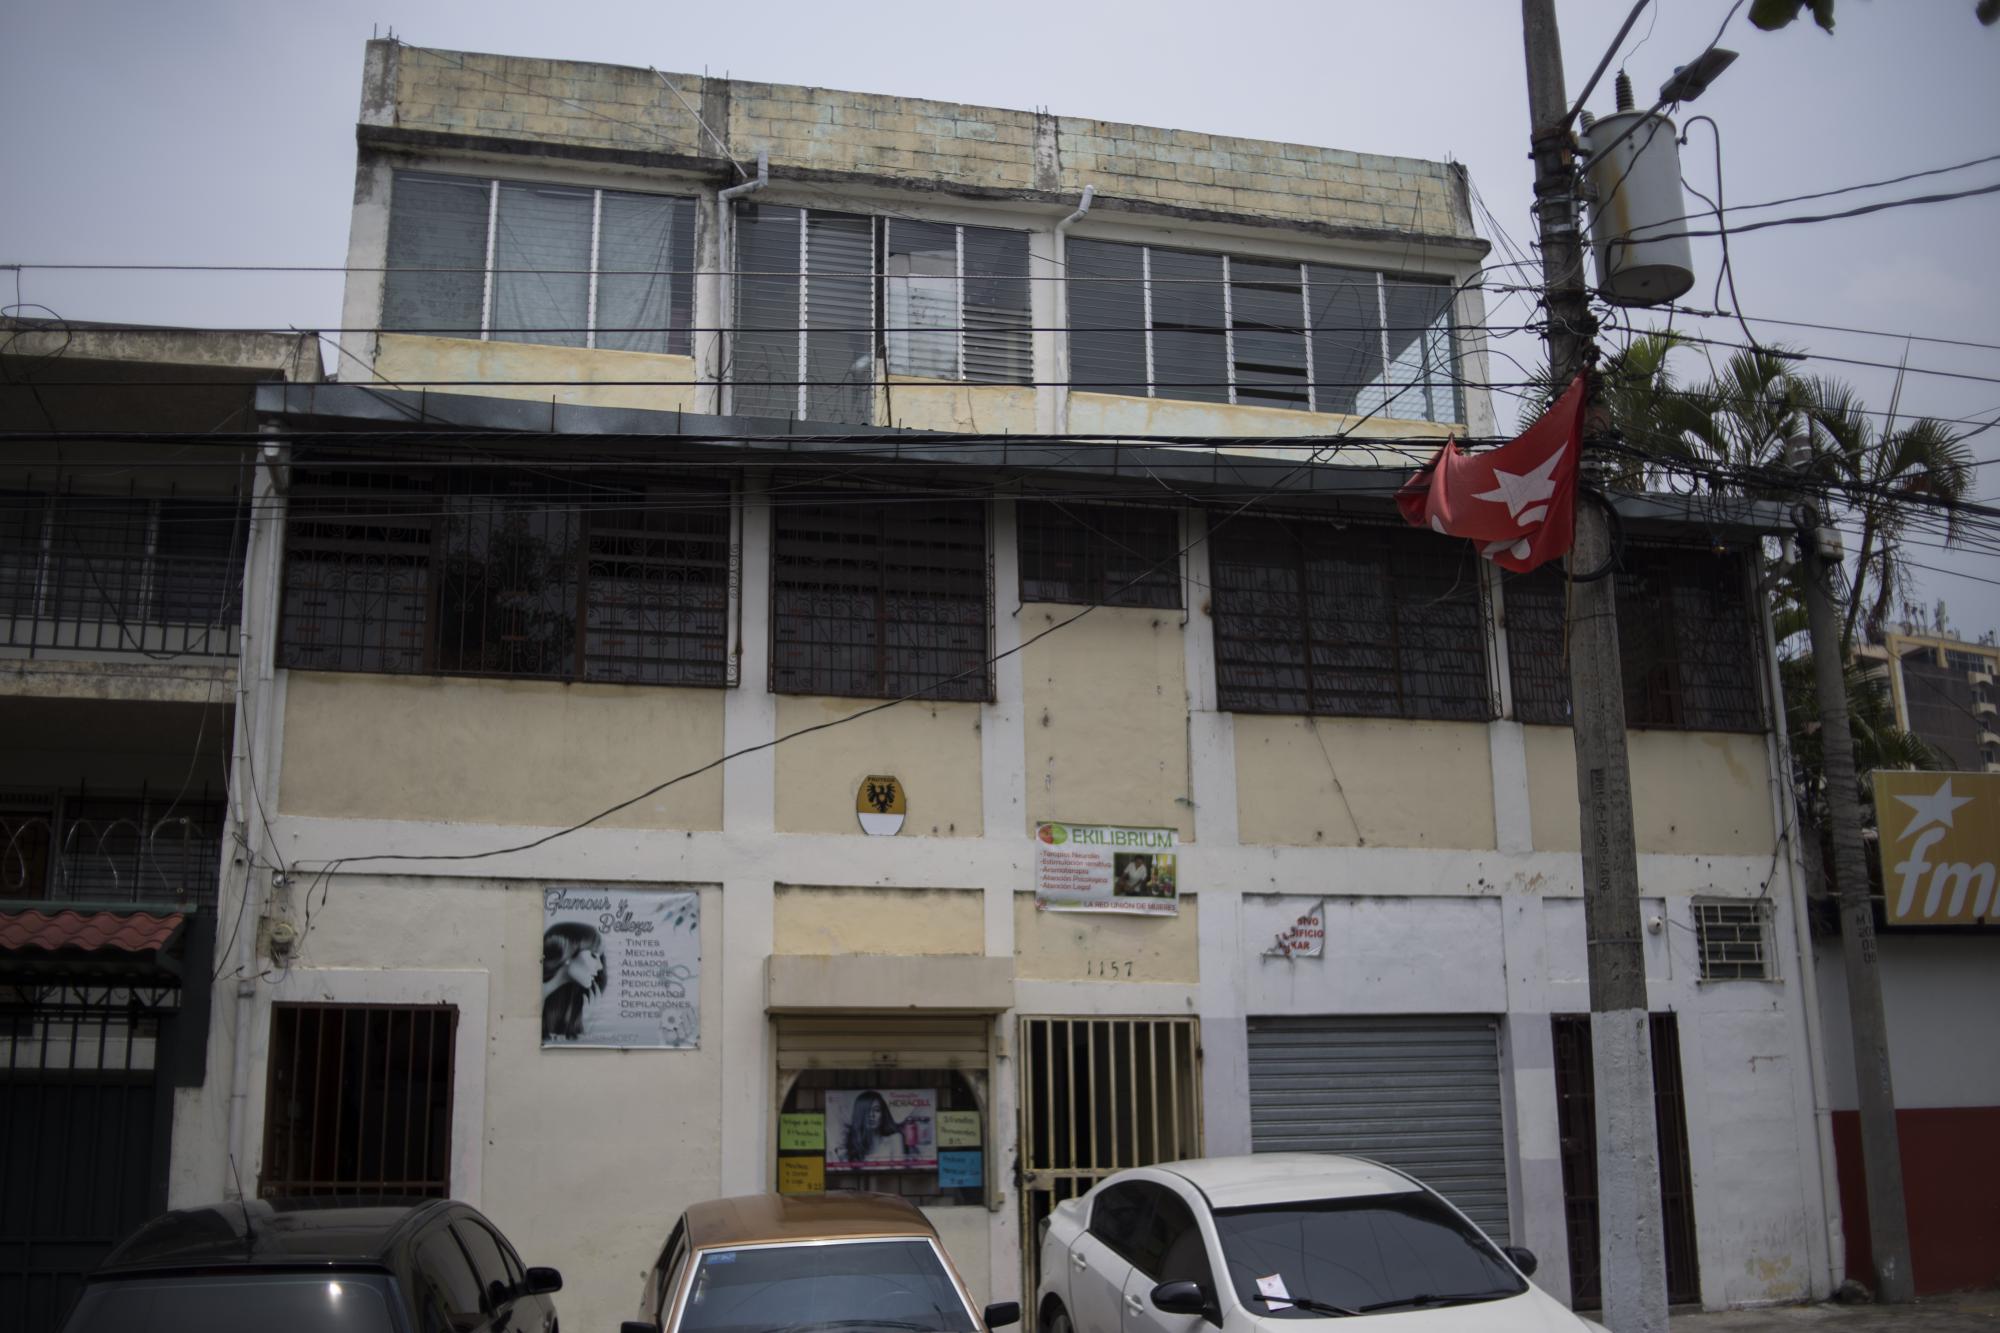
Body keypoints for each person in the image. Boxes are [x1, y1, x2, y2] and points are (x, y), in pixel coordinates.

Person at [542, 921, 607, 1041]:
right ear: (567, 954)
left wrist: (586, 1024)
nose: (600, 966)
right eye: (593, 956)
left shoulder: (560, 1005)